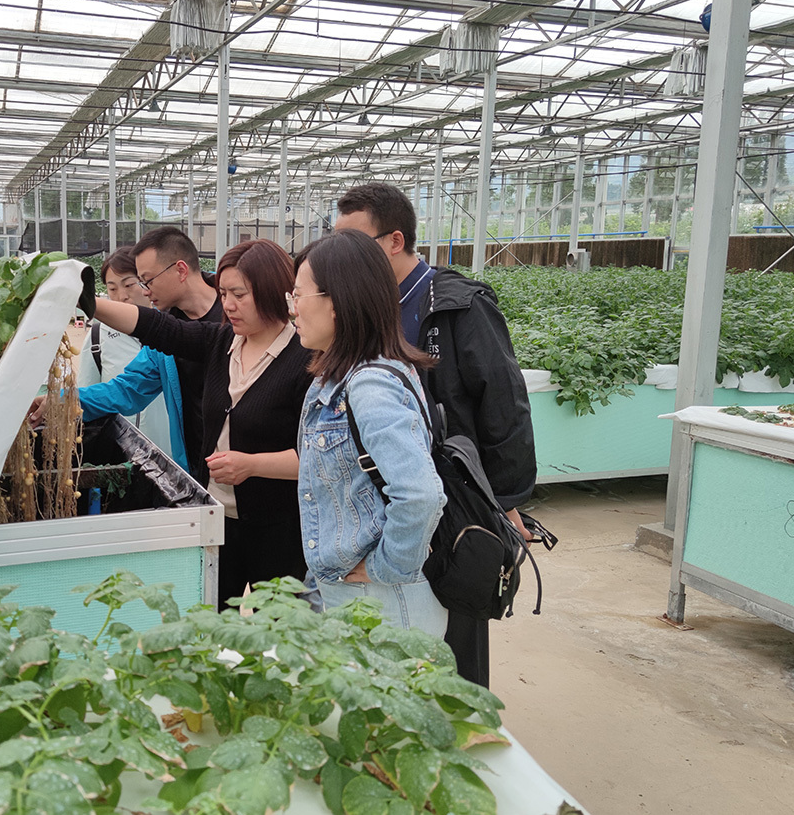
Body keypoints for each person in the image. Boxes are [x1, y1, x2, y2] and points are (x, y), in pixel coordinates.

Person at [334, 182, 536, 686]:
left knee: (453, 631)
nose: (344, 255)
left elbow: (504, 402)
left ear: (395, 241)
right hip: (386, 503)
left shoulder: (455, 306)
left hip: (450, 501)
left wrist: (505, 500)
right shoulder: (364, 305)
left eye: (355, 242)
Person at [86, 239, 312, 610]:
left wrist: (252, 465)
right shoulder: (221, 342)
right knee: (211, 619)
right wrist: (87, 302)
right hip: (216, 519)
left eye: (239, 294)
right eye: (224, 294)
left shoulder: (306, 360)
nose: (229, 305)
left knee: (277, 626)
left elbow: (320, 457)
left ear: (273, 291)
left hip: (281, 527)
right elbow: (157, 328)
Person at [290, 230, 448, 636]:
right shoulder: (341, 376)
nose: (292, 308)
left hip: (383, 603)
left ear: (337, 302)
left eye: (298, 295)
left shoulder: (369, 386)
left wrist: (386, 566)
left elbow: (420, 495)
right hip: (357, 596)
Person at [30, 227, 221, 482]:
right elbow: (127, 389)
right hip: (201, 469)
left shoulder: (235, 315)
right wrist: (64, 400)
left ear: (181, 270)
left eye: (147, 281)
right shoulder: (164, 338)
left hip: (248, 469)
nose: (145, 290)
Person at [74, 248, 175, 461]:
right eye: (112, 289)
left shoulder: (175, 333)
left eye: (129, 285)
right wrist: (67, 401)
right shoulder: (97, 337)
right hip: (120, 458)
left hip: (172, 457)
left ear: (147, 283)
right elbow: (89, 394)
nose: (122, 296)